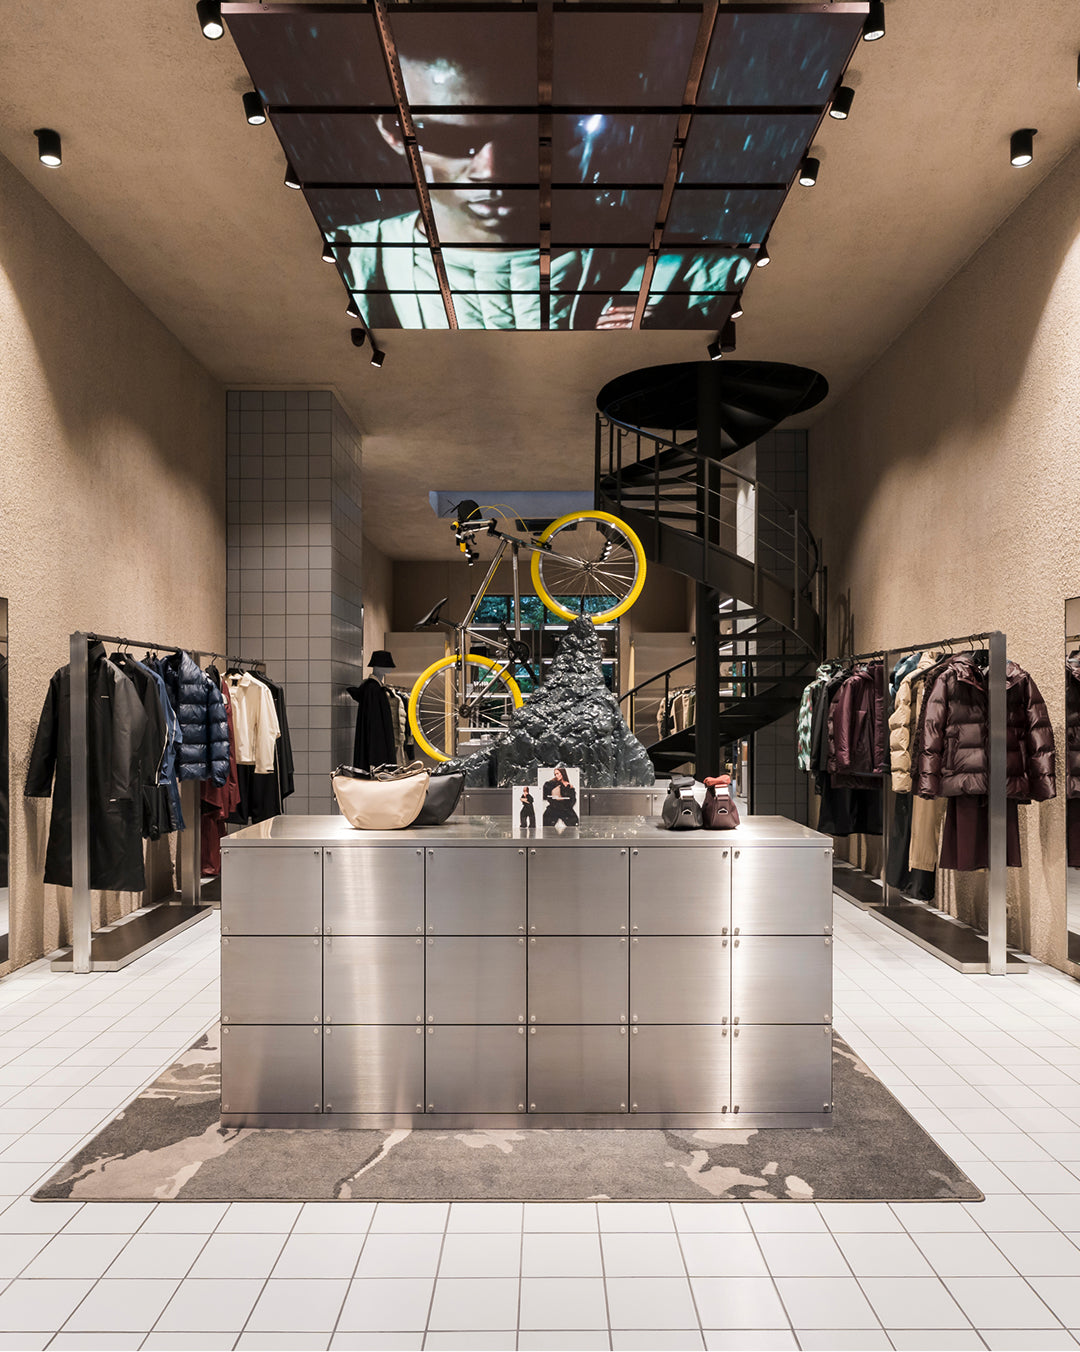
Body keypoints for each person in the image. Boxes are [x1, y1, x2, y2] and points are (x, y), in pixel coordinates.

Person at [335, 31, 749, 330]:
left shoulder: (697, 278)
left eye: (527, 139)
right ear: (392, 131)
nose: (491, 171)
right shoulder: (347, 269)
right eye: (452, 139)